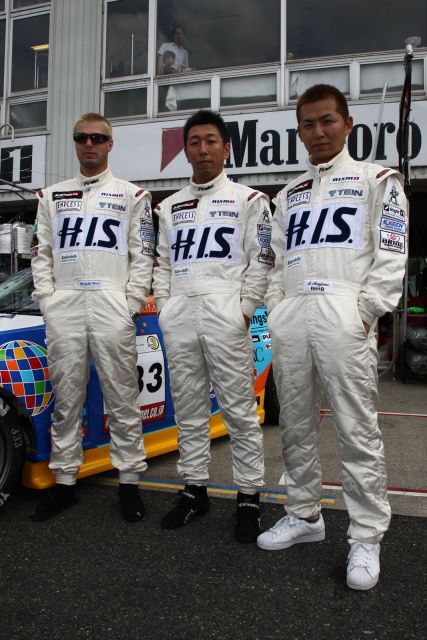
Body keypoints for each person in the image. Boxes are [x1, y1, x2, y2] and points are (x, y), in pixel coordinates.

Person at [256, 85, 408, 590]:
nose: (317, 132)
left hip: (345, 313)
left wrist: (363, 313)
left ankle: (366, 534)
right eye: (307, 124)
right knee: (294, 425)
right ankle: (305, 515)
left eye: (326, 121)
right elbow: (274, 262)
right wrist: (278, 310)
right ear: (298, 131)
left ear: (347, 123)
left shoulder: (378, 180)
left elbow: (390, 258)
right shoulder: (287, 194)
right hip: (294, 316)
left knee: (355, 429)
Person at [153, 110, 274, 542]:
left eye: (210, 141)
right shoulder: (167, 207)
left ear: (226, 147)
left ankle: (248, 498)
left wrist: (243, 311)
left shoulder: (249, 200)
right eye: (193, 142)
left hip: (226, 319)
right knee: (187, 412)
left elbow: (263, 260)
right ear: (185, 150)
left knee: (240, 413)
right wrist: (166, 308)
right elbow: (162, 265)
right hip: (181, 318)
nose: (202, 149)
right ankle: (194, 490)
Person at [31, 112, 154, 522]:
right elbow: (41, 253)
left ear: (109, 144)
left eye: (97, 138)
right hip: (64, 302)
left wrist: (131, 303)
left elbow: (144, 256)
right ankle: (64, 482)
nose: (89, 145)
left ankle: (130, 482)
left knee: (122, 395)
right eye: (81, 138)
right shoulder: (51, 196)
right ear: (74, 142)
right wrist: (48, 299)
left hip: (110, 303)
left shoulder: (133, 195)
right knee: (67, 400)